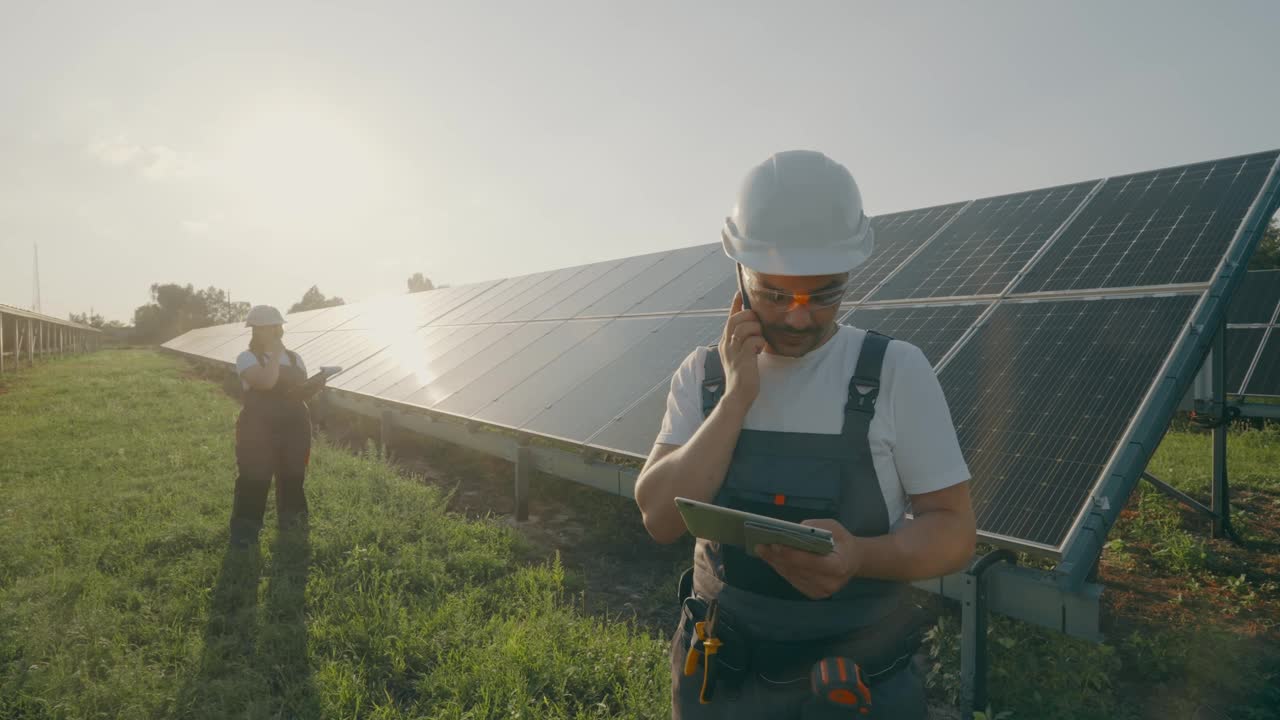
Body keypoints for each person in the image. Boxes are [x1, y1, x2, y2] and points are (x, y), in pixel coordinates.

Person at [634, 150, 977, 719]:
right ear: (739, 274)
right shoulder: (705, 375)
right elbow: (659, 517)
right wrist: (737, 401)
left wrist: (859, 556)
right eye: (774, 293)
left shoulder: (895, 371)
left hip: (855, 687)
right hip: (722, 681)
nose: (798, 317)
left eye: (823, 294)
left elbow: (954, 531)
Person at [228, 305, 323, 548]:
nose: (270, 331)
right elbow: (265, 383)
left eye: (273, 327)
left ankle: (293, 523)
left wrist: (317, 383)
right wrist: (274, 354)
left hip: (295, 424)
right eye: (263, 328)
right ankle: (245, 532)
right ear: (255, 331)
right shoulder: (246, 358)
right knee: (254, 476)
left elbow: (299, 391)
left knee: (293, 474)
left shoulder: (295, 358)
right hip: (258, 427)